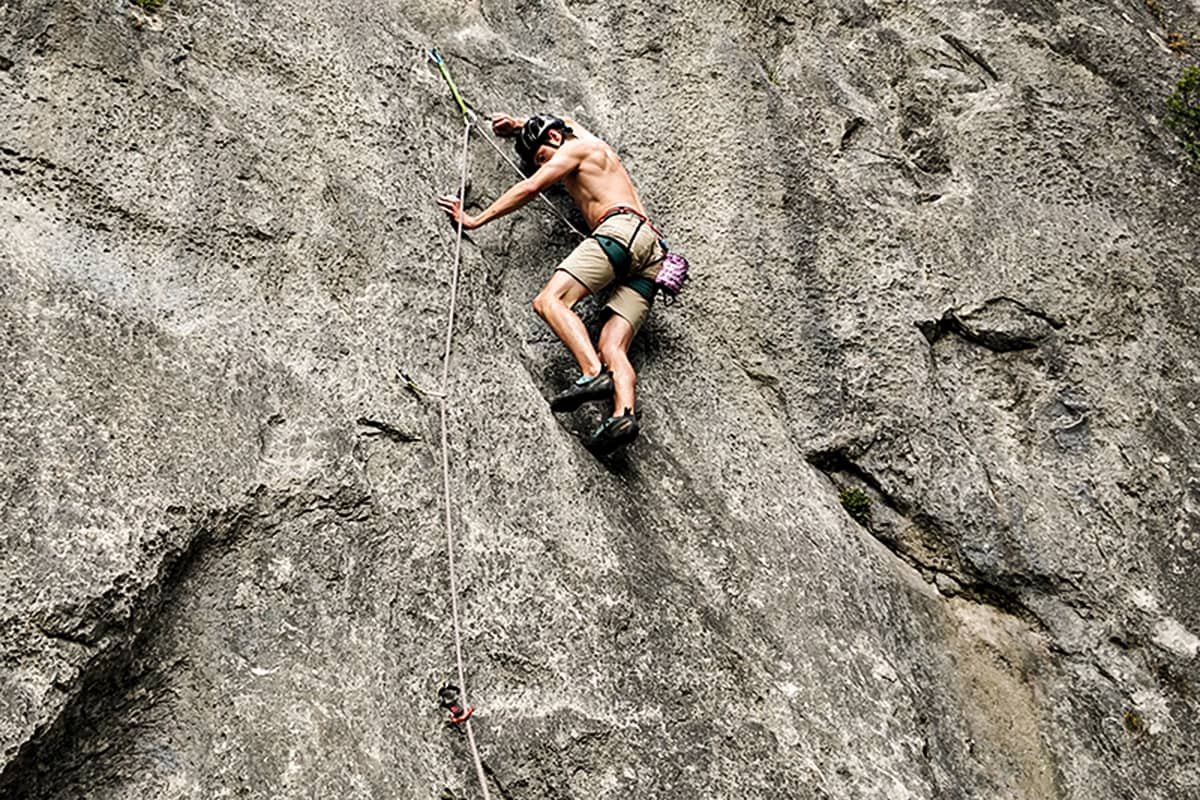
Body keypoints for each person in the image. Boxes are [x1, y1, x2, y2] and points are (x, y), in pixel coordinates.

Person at [437, 113, 665, 453]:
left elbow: (530, 187)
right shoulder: (595, 145)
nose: (545, 166)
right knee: (612, 347)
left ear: (555, 139)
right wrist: (517, 125)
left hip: (619, 232)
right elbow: (569, 119)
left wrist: (475, 219)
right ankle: (623, 414)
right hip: (652, 255)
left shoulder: (572, 151)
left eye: (542, 157)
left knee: (550, 301)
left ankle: (591, 372)